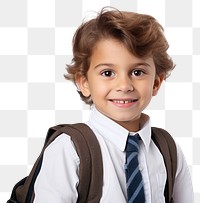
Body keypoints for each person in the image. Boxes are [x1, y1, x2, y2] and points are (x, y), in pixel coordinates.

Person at [33, 7, 193, 202]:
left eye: (137, 72)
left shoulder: (168, 150)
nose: (124, 85)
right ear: (84, 83)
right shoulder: (68, 150)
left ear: (156, 83)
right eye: (108, 73)